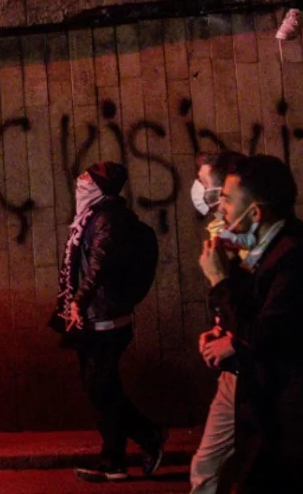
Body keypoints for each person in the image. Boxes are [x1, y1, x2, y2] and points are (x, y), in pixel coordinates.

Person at [197, 154, 303, 492]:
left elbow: (265, 334)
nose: (220, 209)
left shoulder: (295, 257)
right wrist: (224, 328)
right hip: (268, 393)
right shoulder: (262, 245)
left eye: (227, 200)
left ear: (256, 212)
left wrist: (219, 282)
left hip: (295, 404)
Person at [50, 161, 166, 482]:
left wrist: (78, 301)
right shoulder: (90, 217)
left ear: (100, 188)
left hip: (105, 318)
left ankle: (149, 435)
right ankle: (113, 460)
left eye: (87, 181)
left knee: (99, 387)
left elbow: (99, 264)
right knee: (104, 386)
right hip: (92, 317)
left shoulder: (107, 219)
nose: (80, 184)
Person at [187, 151, 249, 494]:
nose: (204, 195)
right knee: (207, 466)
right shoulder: (223, 236)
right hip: (237, 366)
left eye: (212, 189)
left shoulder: (250, 244)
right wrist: (220, 330)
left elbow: (269, 317)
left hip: (252, 367)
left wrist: (233, 341)